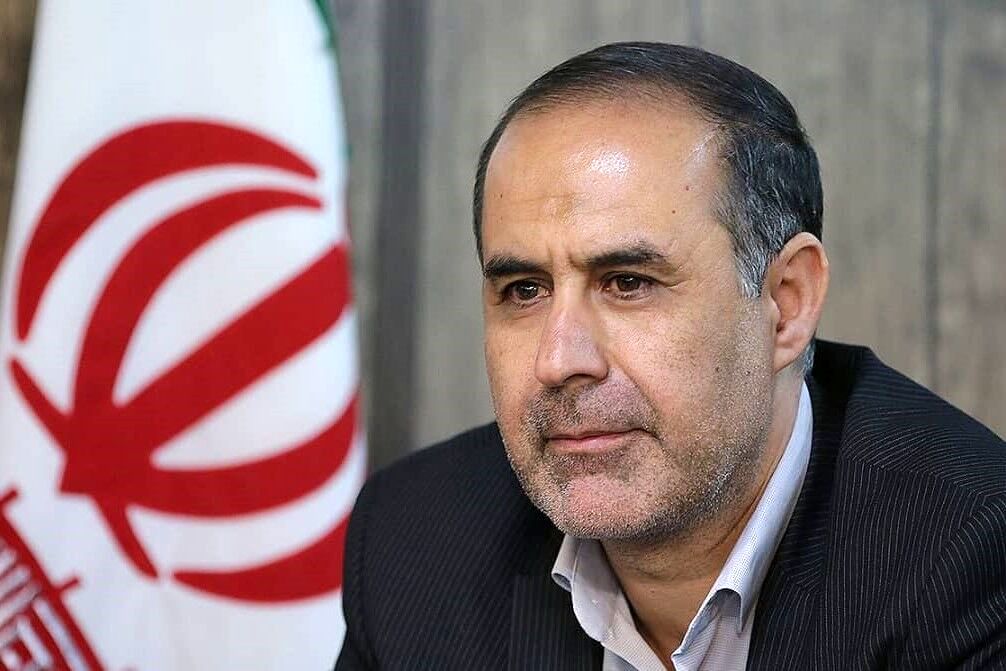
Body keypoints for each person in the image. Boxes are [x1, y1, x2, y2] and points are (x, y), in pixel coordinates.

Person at [335, 42, 1006, 670]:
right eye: (524, 290)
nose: (559, 360)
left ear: (786, 303)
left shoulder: (970, 552)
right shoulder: (415, 539)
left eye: (628, 282)